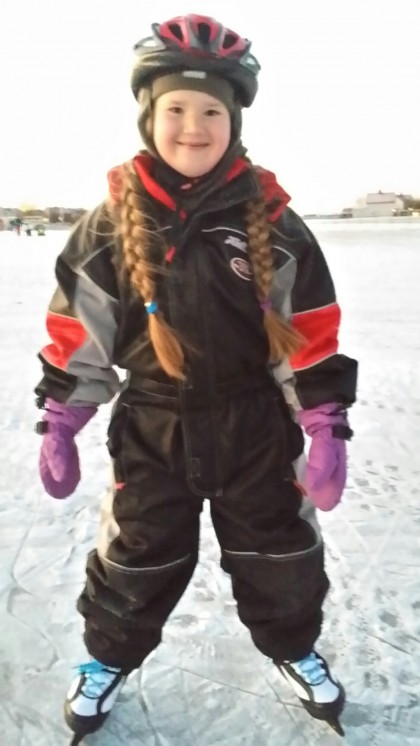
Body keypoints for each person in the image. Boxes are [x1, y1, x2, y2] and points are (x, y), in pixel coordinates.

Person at [35, 13, 357, 741]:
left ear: (234, 120)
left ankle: (294, 646)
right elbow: (77, 326)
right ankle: (108, 657)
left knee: (279, 549)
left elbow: (311, 327)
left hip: (255, 424)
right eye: (176, 108)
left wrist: (323, 421)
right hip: (154, 427)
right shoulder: (109, 224)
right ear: (149, 116)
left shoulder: (274, 220)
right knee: (138, 551)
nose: (193, 127)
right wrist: (62, 416)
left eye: (212, 110)